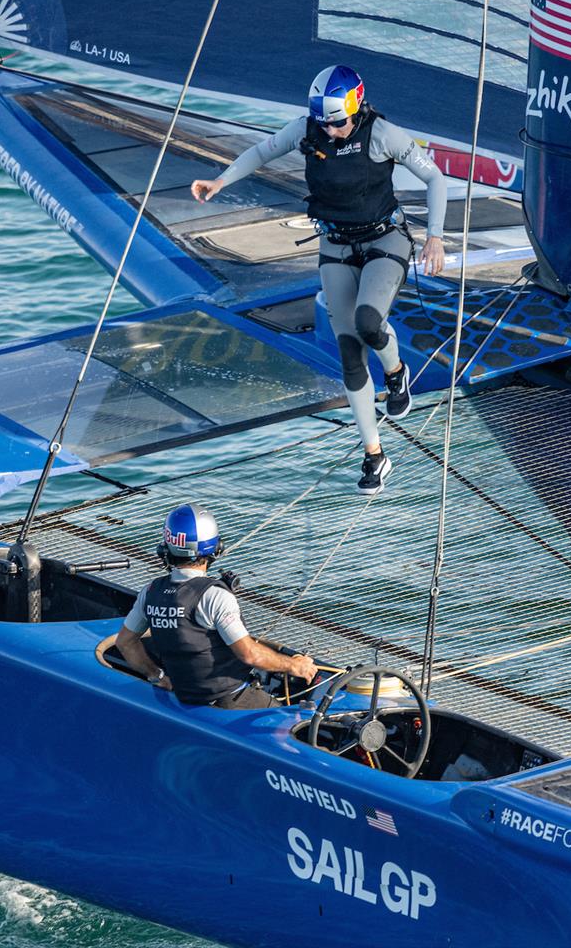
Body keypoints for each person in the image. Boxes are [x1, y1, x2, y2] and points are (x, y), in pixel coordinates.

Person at [191, 65, 447, 495]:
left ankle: (396, 370)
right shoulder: (307, 131)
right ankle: (374, 455)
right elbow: (261, 152)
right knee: (348, 349)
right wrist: (220, 181)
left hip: (385, 241)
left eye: (340, 122)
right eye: (325, 123)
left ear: (357, 108)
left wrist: (435, 237)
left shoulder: (382, 133)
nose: (332, 131)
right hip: (336, 247)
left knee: (369, 322)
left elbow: (434, 176)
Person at [115, 503, 317, 708]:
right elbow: (249, 654)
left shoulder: (150, 592)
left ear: (167, 546)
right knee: (294, 726)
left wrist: (156, 676)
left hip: (183, 696)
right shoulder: (215, 596)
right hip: (230, 700)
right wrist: (294, 665)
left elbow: (125, 642)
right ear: (215, 548)